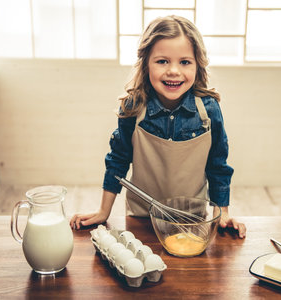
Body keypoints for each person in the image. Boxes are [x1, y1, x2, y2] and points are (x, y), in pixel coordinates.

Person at [70, 15, 246, 238]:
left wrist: (222, 214)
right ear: (146, 64)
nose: (173, 71)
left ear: (197, 65)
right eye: (162, 61)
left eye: (184, 62)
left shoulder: (209, 110)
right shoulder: (133, 107)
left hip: (192, 221)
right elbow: (118, 160)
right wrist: (103, 212)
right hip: (141, 218)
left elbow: (218, 166)